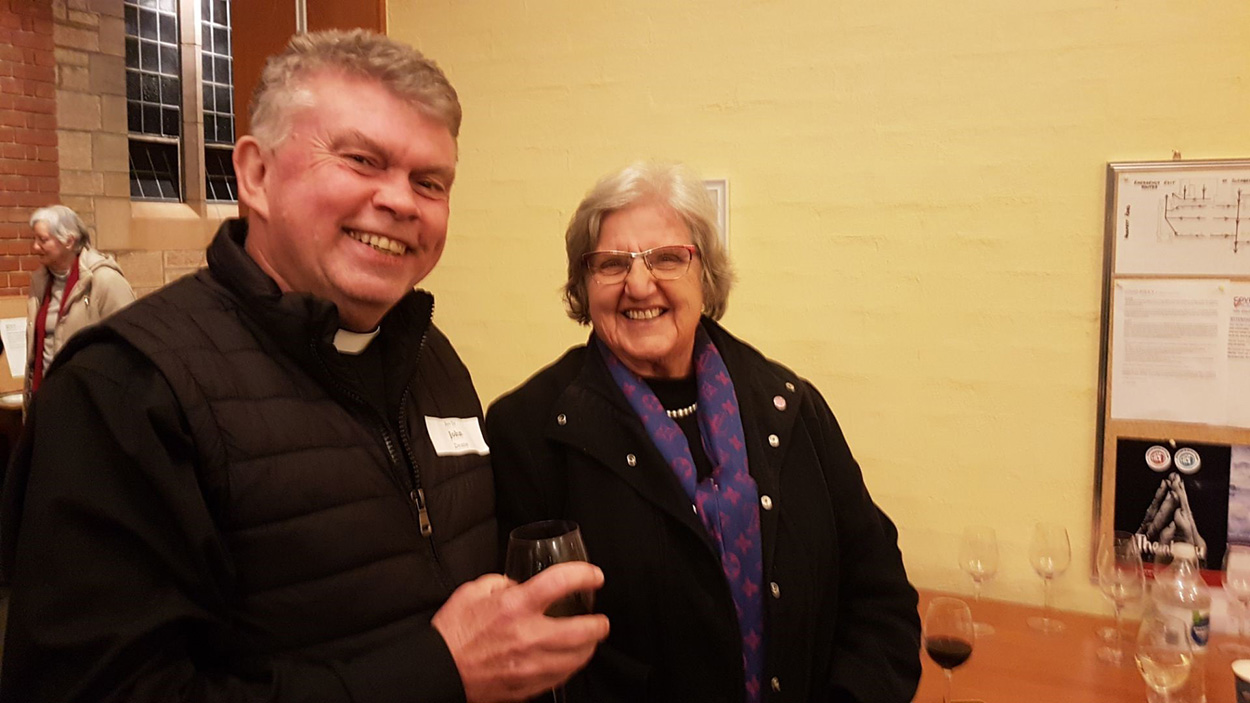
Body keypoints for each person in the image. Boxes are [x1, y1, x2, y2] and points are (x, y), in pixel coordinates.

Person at [0, 29, 607, 703]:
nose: (402, 202)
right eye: (362, 161)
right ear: (256, 175)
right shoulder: (127, 390)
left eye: (429, 181)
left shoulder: (430, 358)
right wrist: (437, 670)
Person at [487, 162, 921, 703]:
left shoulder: (789, 407)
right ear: (583, 284)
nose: (639, 284)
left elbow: (879, 598)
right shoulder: (528, 432)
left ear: (706, 276)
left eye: (668, 258)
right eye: (611, 264)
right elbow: (522, 658)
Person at [24, 204, 135, 406]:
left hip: (88, 402)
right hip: (47, 399)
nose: (35, 247)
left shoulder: (104, 280)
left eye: (43, 240)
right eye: (35, 239)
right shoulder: (40, 281)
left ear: (69, 240)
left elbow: (130, 344)